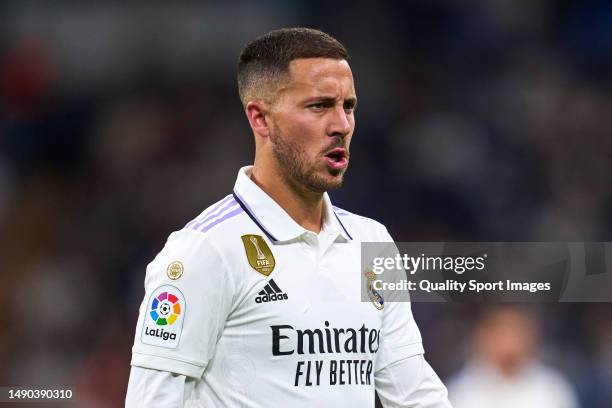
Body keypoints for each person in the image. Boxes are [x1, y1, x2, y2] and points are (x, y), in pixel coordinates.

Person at [125, 27, 451, 407]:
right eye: (319, 106)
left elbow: (415, 395)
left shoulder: (371, 243)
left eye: (348, 107)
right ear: (261, 119)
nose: (341, 125)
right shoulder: (205, 251)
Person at [448, 306, 579, 408]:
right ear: (483, 336)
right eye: (500, 330)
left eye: (516, 330)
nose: (509, 339)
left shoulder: (553, 389)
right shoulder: (459, 392)